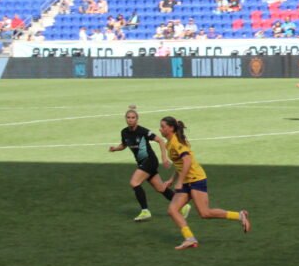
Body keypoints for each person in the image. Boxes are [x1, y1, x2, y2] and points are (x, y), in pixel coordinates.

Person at [160, 116, 250, 250]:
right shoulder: (169, 143)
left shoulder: (176, 142)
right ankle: (190, 238)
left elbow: (188, 161)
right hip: (186, 181)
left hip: (196, 179)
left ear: (171, 128)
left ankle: (239, 215)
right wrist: (172, 179)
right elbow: (180, 164)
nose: (160, 129)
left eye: (163, 126)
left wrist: (179, 182)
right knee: (172, 210)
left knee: (205, 213)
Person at [107, 106, 179, 222]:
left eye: (133, 117)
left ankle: (145, 211)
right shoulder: (124, 132)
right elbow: (124, 145)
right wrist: (115, 149)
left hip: (149, 161)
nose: (130, 119)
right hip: (142, 162)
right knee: (160, 188)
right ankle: (183, 206)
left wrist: (164, 157)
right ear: (125, 119)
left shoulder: (142, 131)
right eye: (128, 117)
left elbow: (160, 140)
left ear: (137, 119)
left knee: (134, 182)